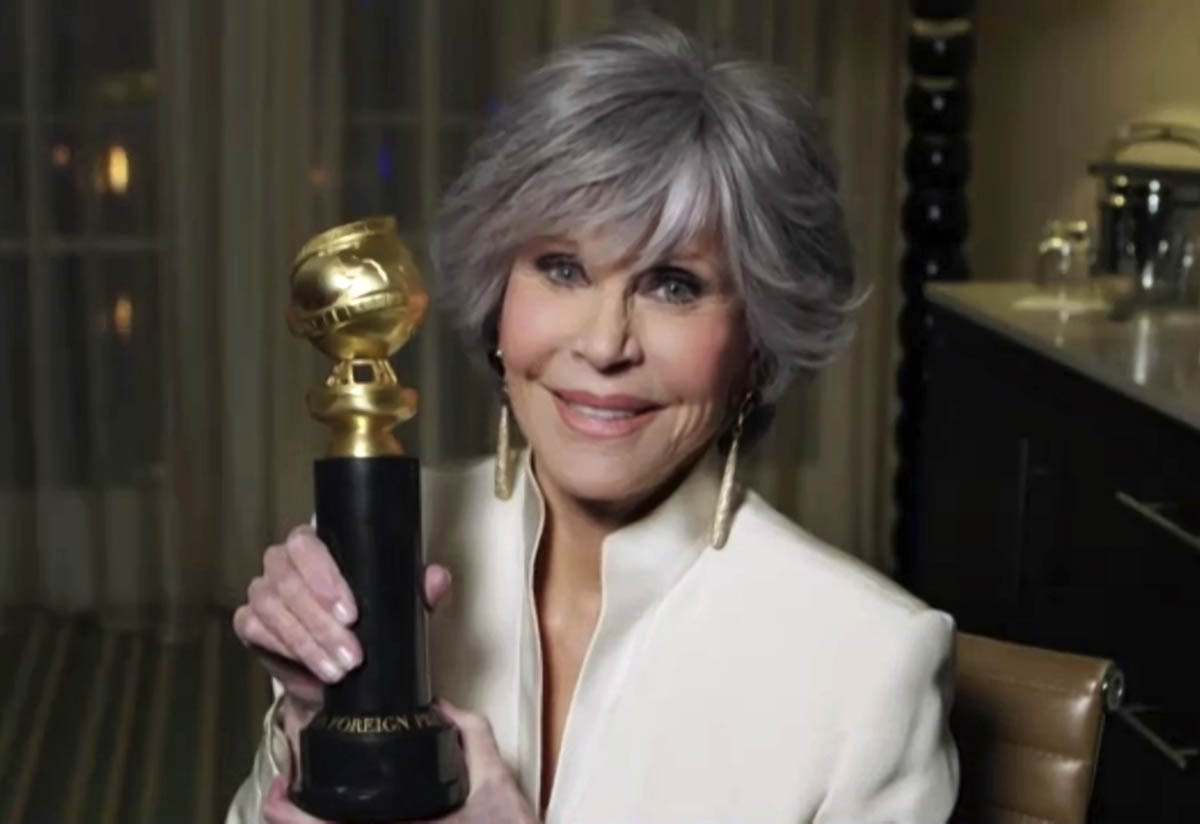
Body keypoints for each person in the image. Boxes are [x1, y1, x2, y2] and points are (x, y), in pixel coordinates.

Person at [226, 19, 958, 824]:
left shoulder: (870, 668)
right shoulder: (388, 541)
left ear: (757, 341)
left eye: (674, 285)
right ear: (499, 300)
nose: (605, 345)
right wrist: (312, 719)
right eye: (563, 268)